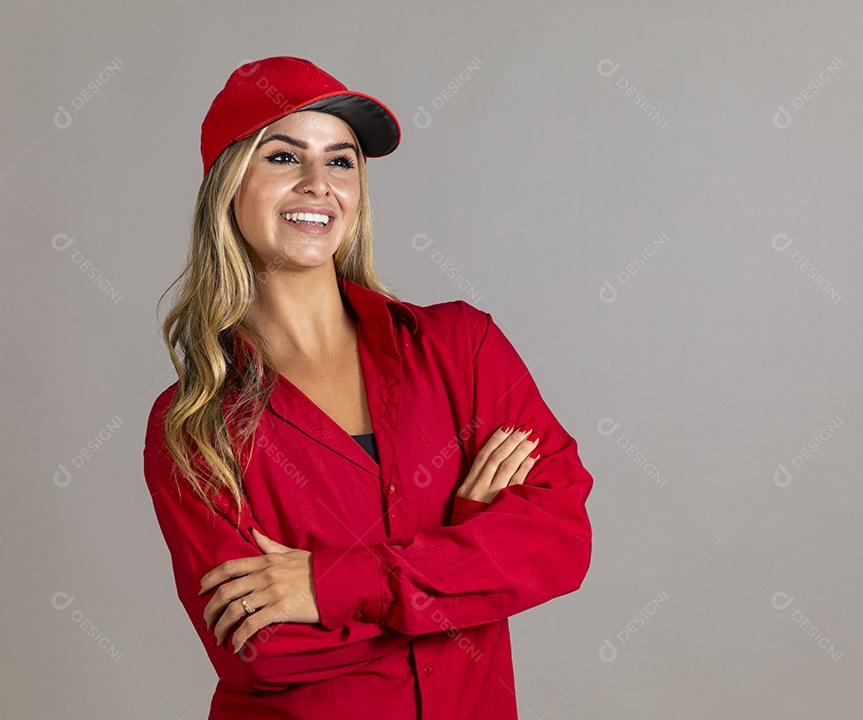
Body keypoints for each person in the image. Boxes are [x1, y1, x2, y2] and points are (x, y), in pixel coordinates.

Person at [142, 56, 593, 719]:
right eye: (284, 157)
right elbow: (264, 648)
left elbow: (559, 542)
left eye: (341, 161)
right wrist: (467, 558)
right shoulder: (194, 424)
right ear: (228, 185)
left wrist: (329, 584)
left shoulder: (461, 348)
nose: (318, 184)